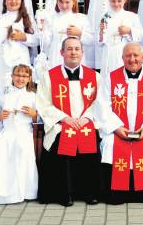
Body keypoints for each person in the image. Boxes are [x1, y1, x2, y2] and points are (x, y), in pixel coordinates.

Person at [98, 43, 143, 204]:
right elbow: (103, 105)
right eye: (128, 55)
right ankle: (116, 194)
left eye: (136, 55)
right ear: (122, 58)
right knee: (110, 144)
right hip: (118, 130)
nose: (132, 59)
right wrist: (116, 128)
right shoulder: (111, 77)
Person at [37, 37, 102, 206]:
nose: (73, 52)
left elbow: (99, 102)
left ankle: (90, 192)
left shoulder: (94, 76)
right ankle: (64, 193)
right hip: (60, 123)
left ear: (82, 52)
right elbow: (43, 103)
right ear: (62, 52)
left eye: (77, 49)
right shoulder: (49, 77)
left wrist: (86, 118)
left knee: (89, 139)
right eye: (69, 49)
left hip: (86, 121)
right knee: (64, 139)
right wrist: (64, 118)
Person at [0, 64, 39, 204]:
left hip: (24, 132)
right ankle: (0, 190)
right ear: (12, 77)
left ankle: (25, 191)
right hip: (6, 132)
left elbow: (40, 118)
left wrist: (34, 115)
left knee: (21, 150)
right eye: (17, 75)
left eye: (24, 76)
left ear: (29, 78)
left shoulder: (33, 96)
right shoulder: (4, 97)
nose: (20, 79)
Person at [0, 0, 38, 97]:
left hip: (19, 60)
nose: (13, 1)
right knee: (0, 90)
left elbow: (37, 41)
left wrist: (24, 37)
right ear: (5, 1)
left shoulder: (27, 19)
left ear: (21, 1)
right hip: (0, 62)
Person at [39, 0, 93, 71]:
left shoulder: (81, 18)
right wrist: (42, 29)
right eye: (61, 2)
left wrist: (80, 34)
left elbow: (91, 41)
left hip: (75, 58)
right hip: (55, 57)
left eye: (67, 2)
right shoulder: (51, 18)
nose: (64, 5)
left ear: (74, 2)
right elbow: (45, 43)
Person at [98, 0, 143, 74]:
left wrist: (129, 31)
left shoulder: (132, 16)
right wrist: (101, 32)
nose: (116, 4)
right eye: (113, 1)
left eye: (119, 1)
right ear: (109, 0)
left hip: (123, 52)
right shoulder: (105, 17)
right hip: (108, 53)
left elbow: (141, 35)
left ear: (125, 0)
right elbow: (99, 41)